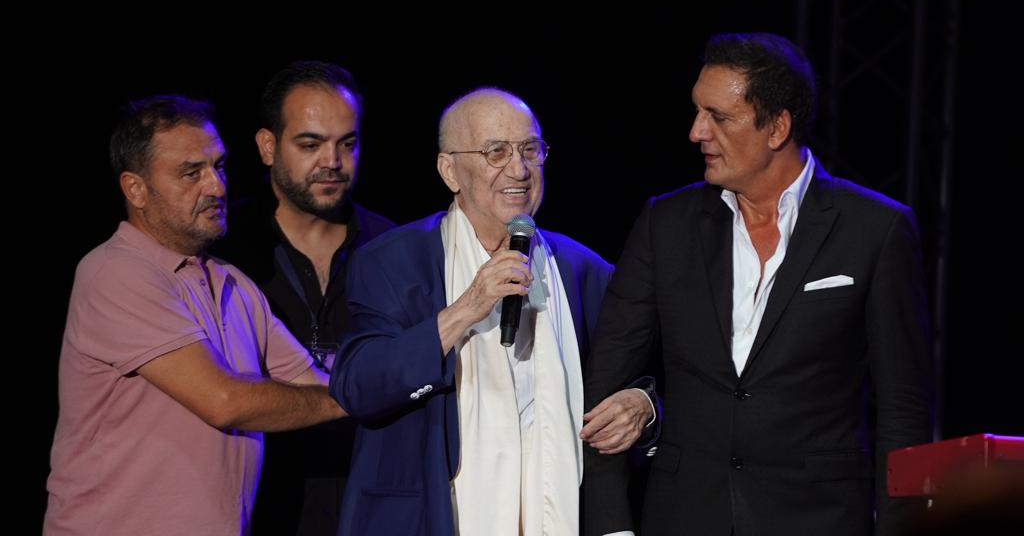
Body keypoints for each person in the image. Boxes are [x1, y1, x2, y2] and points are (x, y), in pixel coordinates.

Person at [583, 33, 933, 536]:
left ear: (777, 127)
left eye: (718, 117)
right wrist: (611, 526)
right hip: (684, 517)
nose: (696, 132)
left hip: (818, 519)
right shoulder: (666, 223)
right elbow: (606, 383)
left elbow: (904, 409)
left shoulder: (875, 229)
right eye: (697, 111)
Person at [330, 88, 653, 535]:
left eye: (530, 150)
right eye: (496, 152)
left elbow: (652, 373)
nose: (518, 170)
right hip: (436, 519)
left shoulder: (583, 269)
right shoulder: (392, 262)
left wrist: (644, 404)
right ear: (450, 171)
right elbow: (358, 387)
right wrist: (467, 307)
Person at [44, 95, 345, 536]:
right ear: (135, 189)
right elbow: (224, 402)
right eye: (191, 173)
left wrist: (414, 368)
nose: (217, 187)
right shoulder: (114, 272)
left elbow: (314, 382)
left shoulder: (233, 283)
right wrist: (351, 398)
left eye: (218, 167)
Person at [214, 61, 394, 535]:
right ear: (267, 146)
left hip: (369, 506)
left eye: (347, 144)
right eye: (310, 144)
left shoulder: (393, 249)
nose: (332, 161)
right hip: (257, 506)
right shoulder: (222, 250)